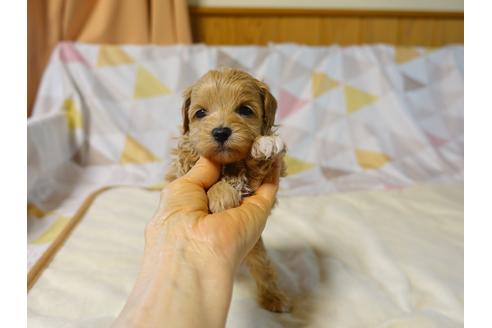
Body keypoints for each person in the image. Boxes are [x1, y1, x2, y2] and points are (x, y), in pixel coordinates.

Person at [113, 156, 281, 328]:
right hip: (198, 222)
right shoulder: (196, 158)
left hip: (238, 218)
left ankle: (270, 291)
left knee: (257, 255)